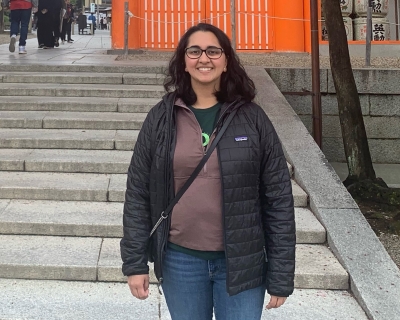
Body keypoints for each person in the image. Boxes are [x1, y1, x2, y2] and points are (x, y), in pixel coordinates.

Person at [120, 23, 296, 320]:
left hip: (241, 261)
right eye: (195, 51)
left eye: (214, 51)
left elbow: (278, 199)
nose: (204, 58)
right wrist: (135, 263)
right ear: (183, 61)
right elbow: (138, 193)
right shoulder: (161, 117)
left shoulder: (252, 118)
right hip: (180, 260)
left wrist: (281, 274)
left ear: (226, 60)